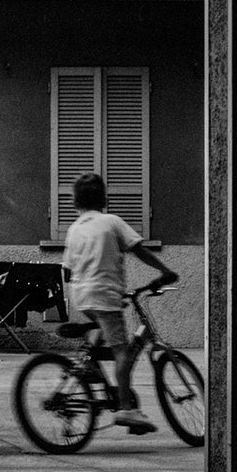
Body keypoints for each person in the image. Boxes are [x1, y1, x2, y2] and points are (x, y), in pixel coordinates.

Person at [62, 171, 179, 433]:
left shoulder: (74, 228)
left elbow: (69, 268)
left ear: (76, 201)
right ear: (103, 198)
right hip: (103, 294)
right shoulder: (111, 222)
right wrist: (164, 271)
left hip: (81, 295)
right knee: (122, 352)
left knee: (102, 326)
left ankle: (89, 362)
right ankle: (127, 409)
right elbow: (139, 249)